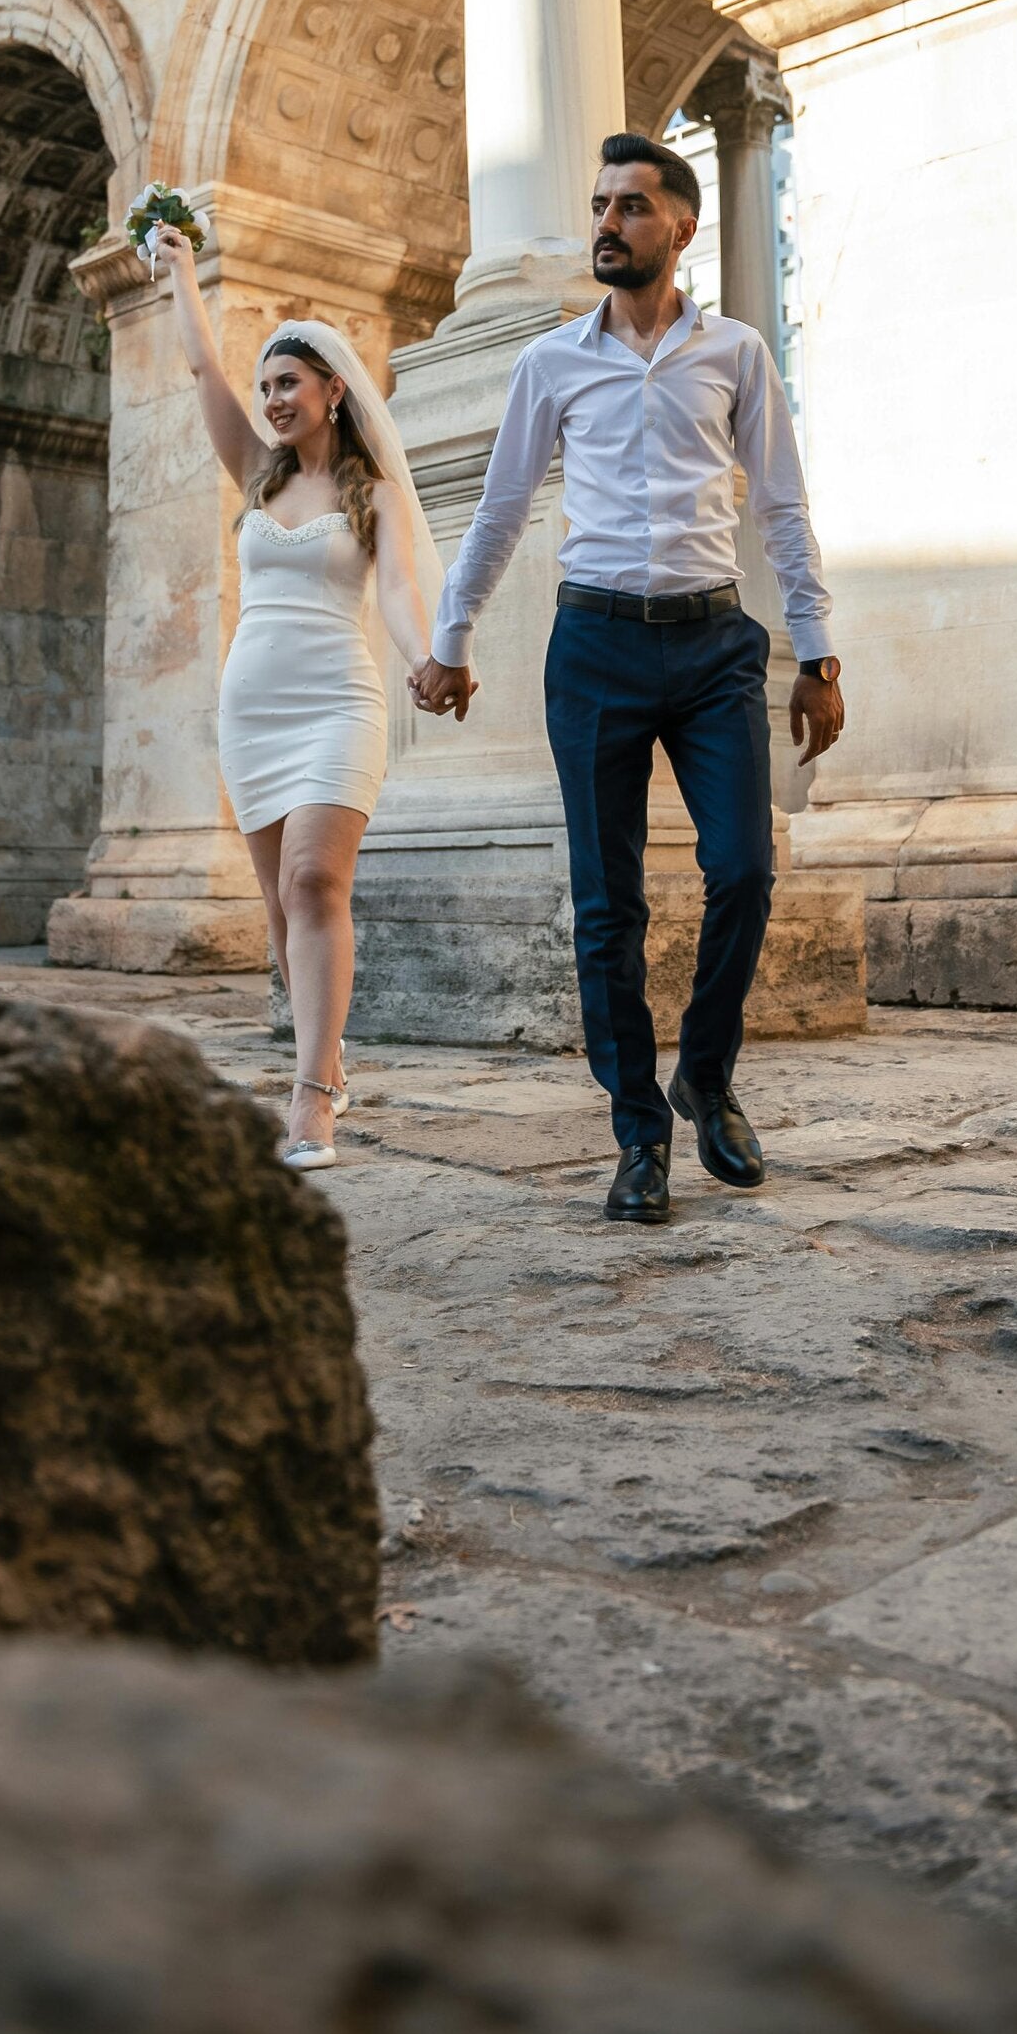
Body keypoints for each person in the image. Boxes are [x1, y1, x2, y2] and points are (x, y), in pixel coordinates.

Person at [410, 131, 844, 1225]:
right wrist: (452, 638)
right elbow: (501, 508)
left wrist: (817, 651)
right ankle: (640, 1132)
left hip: (712, 644)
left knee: (744, 868)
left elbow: (781, 504)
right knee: (609, 904)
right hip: (594, 644)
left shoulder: (736, 352)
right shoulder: (552, 362)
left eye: (631, 206)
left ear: (681, 227)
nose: (606, 222)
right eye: (601, 204)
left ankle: (707, 1073)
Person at [153, 220, 452, 1171]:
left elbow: (399, 591)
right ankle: (326, 1056)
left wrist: (425, 656)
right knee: (282, 915)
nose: (274, 398)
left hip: (338, 704)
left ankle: (311, 1095)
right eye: (268, 386)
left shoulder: (377, 495)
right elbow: (203, 369)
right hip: (252, 710)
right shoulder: (256, 472)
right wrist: (182, 270)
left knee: (314, 881)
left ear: (333, 390)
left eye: (289, 382)